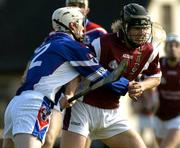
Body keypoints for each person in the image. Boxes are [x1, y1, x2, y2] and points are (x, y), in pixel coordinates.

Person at [2, 7, 129, 148]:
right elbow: (104, 77)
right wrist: (127, 86)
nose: (83, 29)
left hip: (16, 104)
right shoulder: (72, 46)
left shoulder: (46, 44)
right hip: (34, 105)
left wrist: (66, 94)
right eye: (81, 24)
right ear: (73, 25)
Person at [60, 3, 162, 148]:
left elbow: (156, 77)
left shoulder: (149, 50)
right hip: (83, 108)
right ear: (125, 27)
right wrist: (69, 92)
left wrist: (142, 86)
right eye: (137, 28)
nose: (142, 33)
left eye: (145, 28)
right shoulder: (102, 43)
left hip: (112, 113)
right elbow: (77, 67)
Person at [44, 1, 108, 147]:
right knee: (48, 138)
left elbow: (102, 66)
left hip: (86, 95)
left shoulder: (98, 32)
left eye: (80, 4)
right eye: (72, 3)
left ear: (87, 10)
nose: (76, 7)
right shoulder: (57, 33)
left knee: (83, 143)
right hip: (60, 92)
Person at [153, 33, 180, 148]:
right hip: (159, 115)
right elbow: (144, 84)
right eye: (169, 45)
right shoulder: (157, 64)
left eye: (176, 45)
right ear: (165, 48)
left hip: (177, 117)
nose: (172, 48)